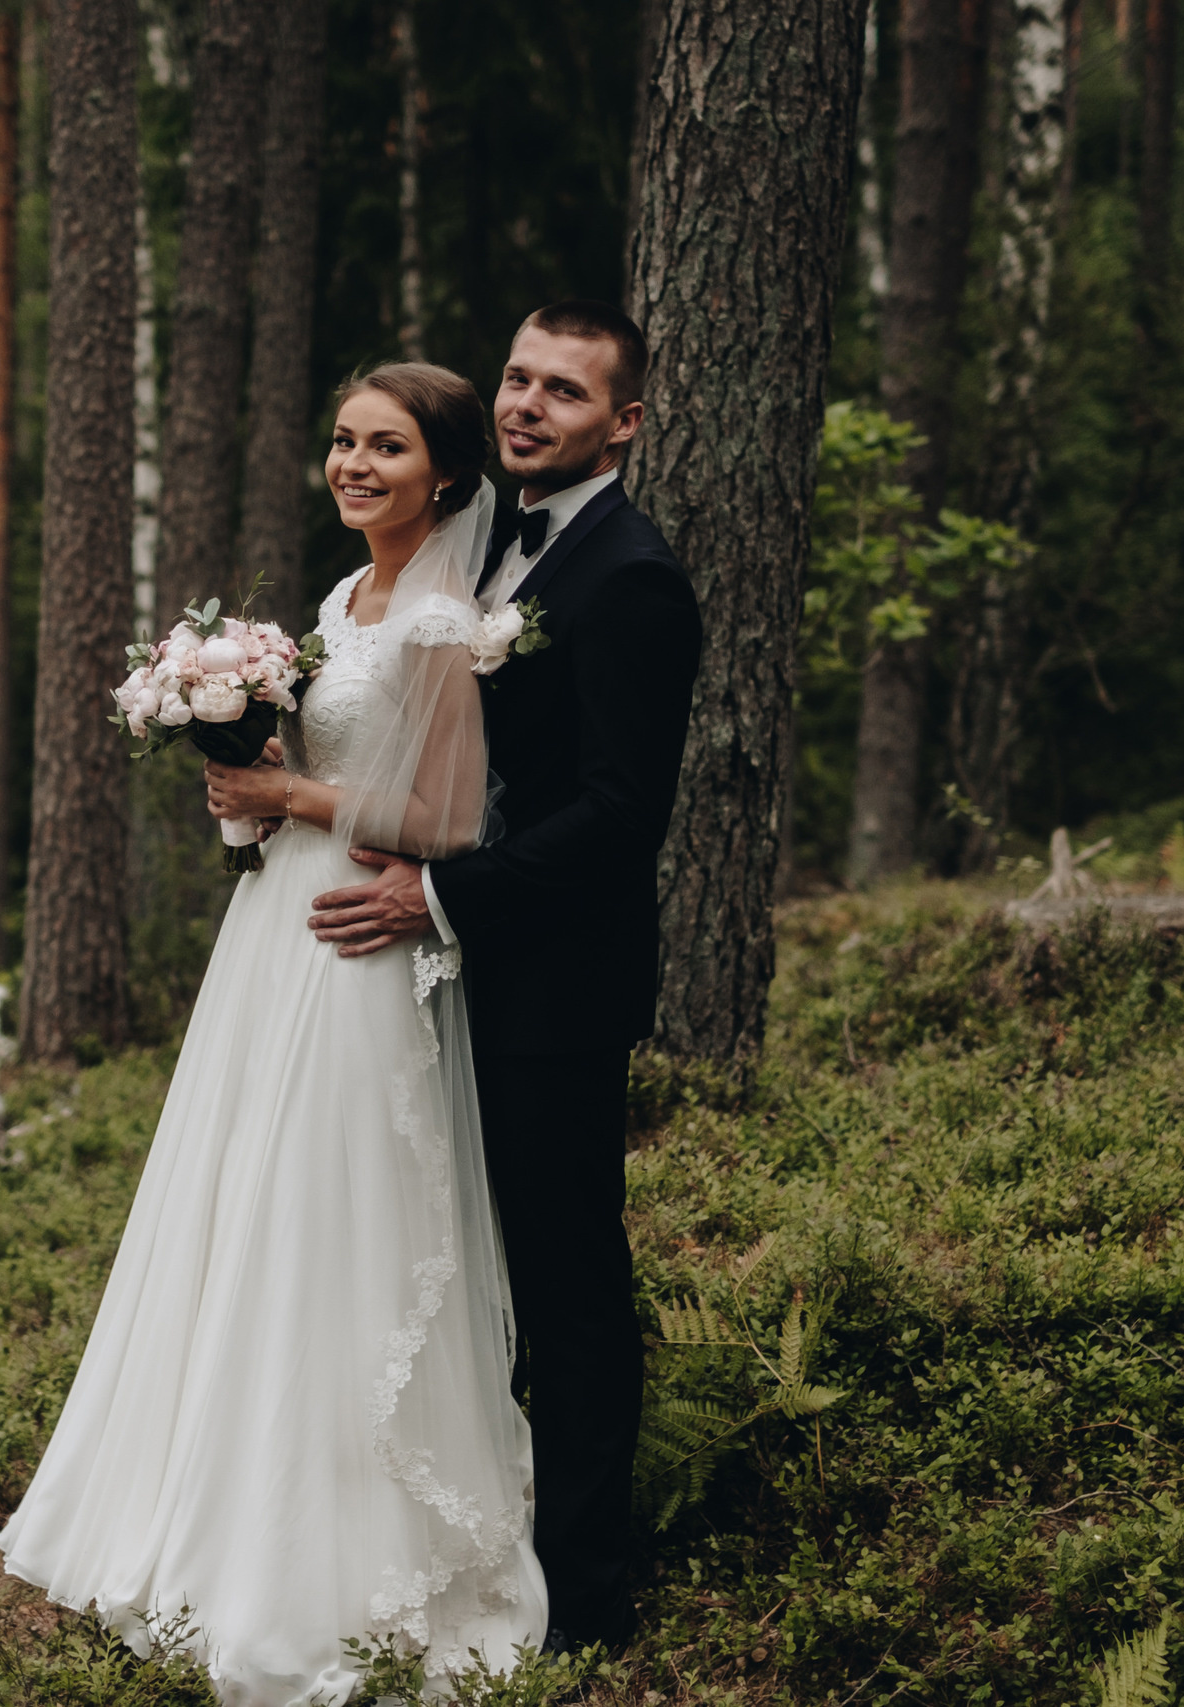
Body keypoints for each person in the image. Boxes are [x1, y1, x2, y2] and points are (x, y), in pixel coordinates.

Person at [0, 363, 545, 1704]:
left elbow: (454, 819)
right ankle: (216, 1499)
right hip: (276, 933)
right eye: (345, 441)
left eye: (387, 448)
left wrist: (294, 791)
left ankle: (336, 1545)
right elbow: (319, 772)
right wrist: (242, 783)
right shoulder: (339, 600)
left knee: (333, 1210)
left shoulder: (441, 621)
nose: (354, 464)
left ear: (450, 479)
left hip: (358, 936)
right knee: (250, 1196)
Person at [306, 301, 704, 1652]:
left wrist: (440, 891)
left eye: (569, 394)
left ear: (626, 423)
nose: (531, 405)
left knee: (565, 1284)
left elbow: (614, 811)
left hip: (552, 991)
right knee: (450, 1271)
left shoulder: (631, 576)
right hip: (451, 979)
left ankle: (587, 1604)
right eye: (521, 380)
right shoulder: (485, 556)